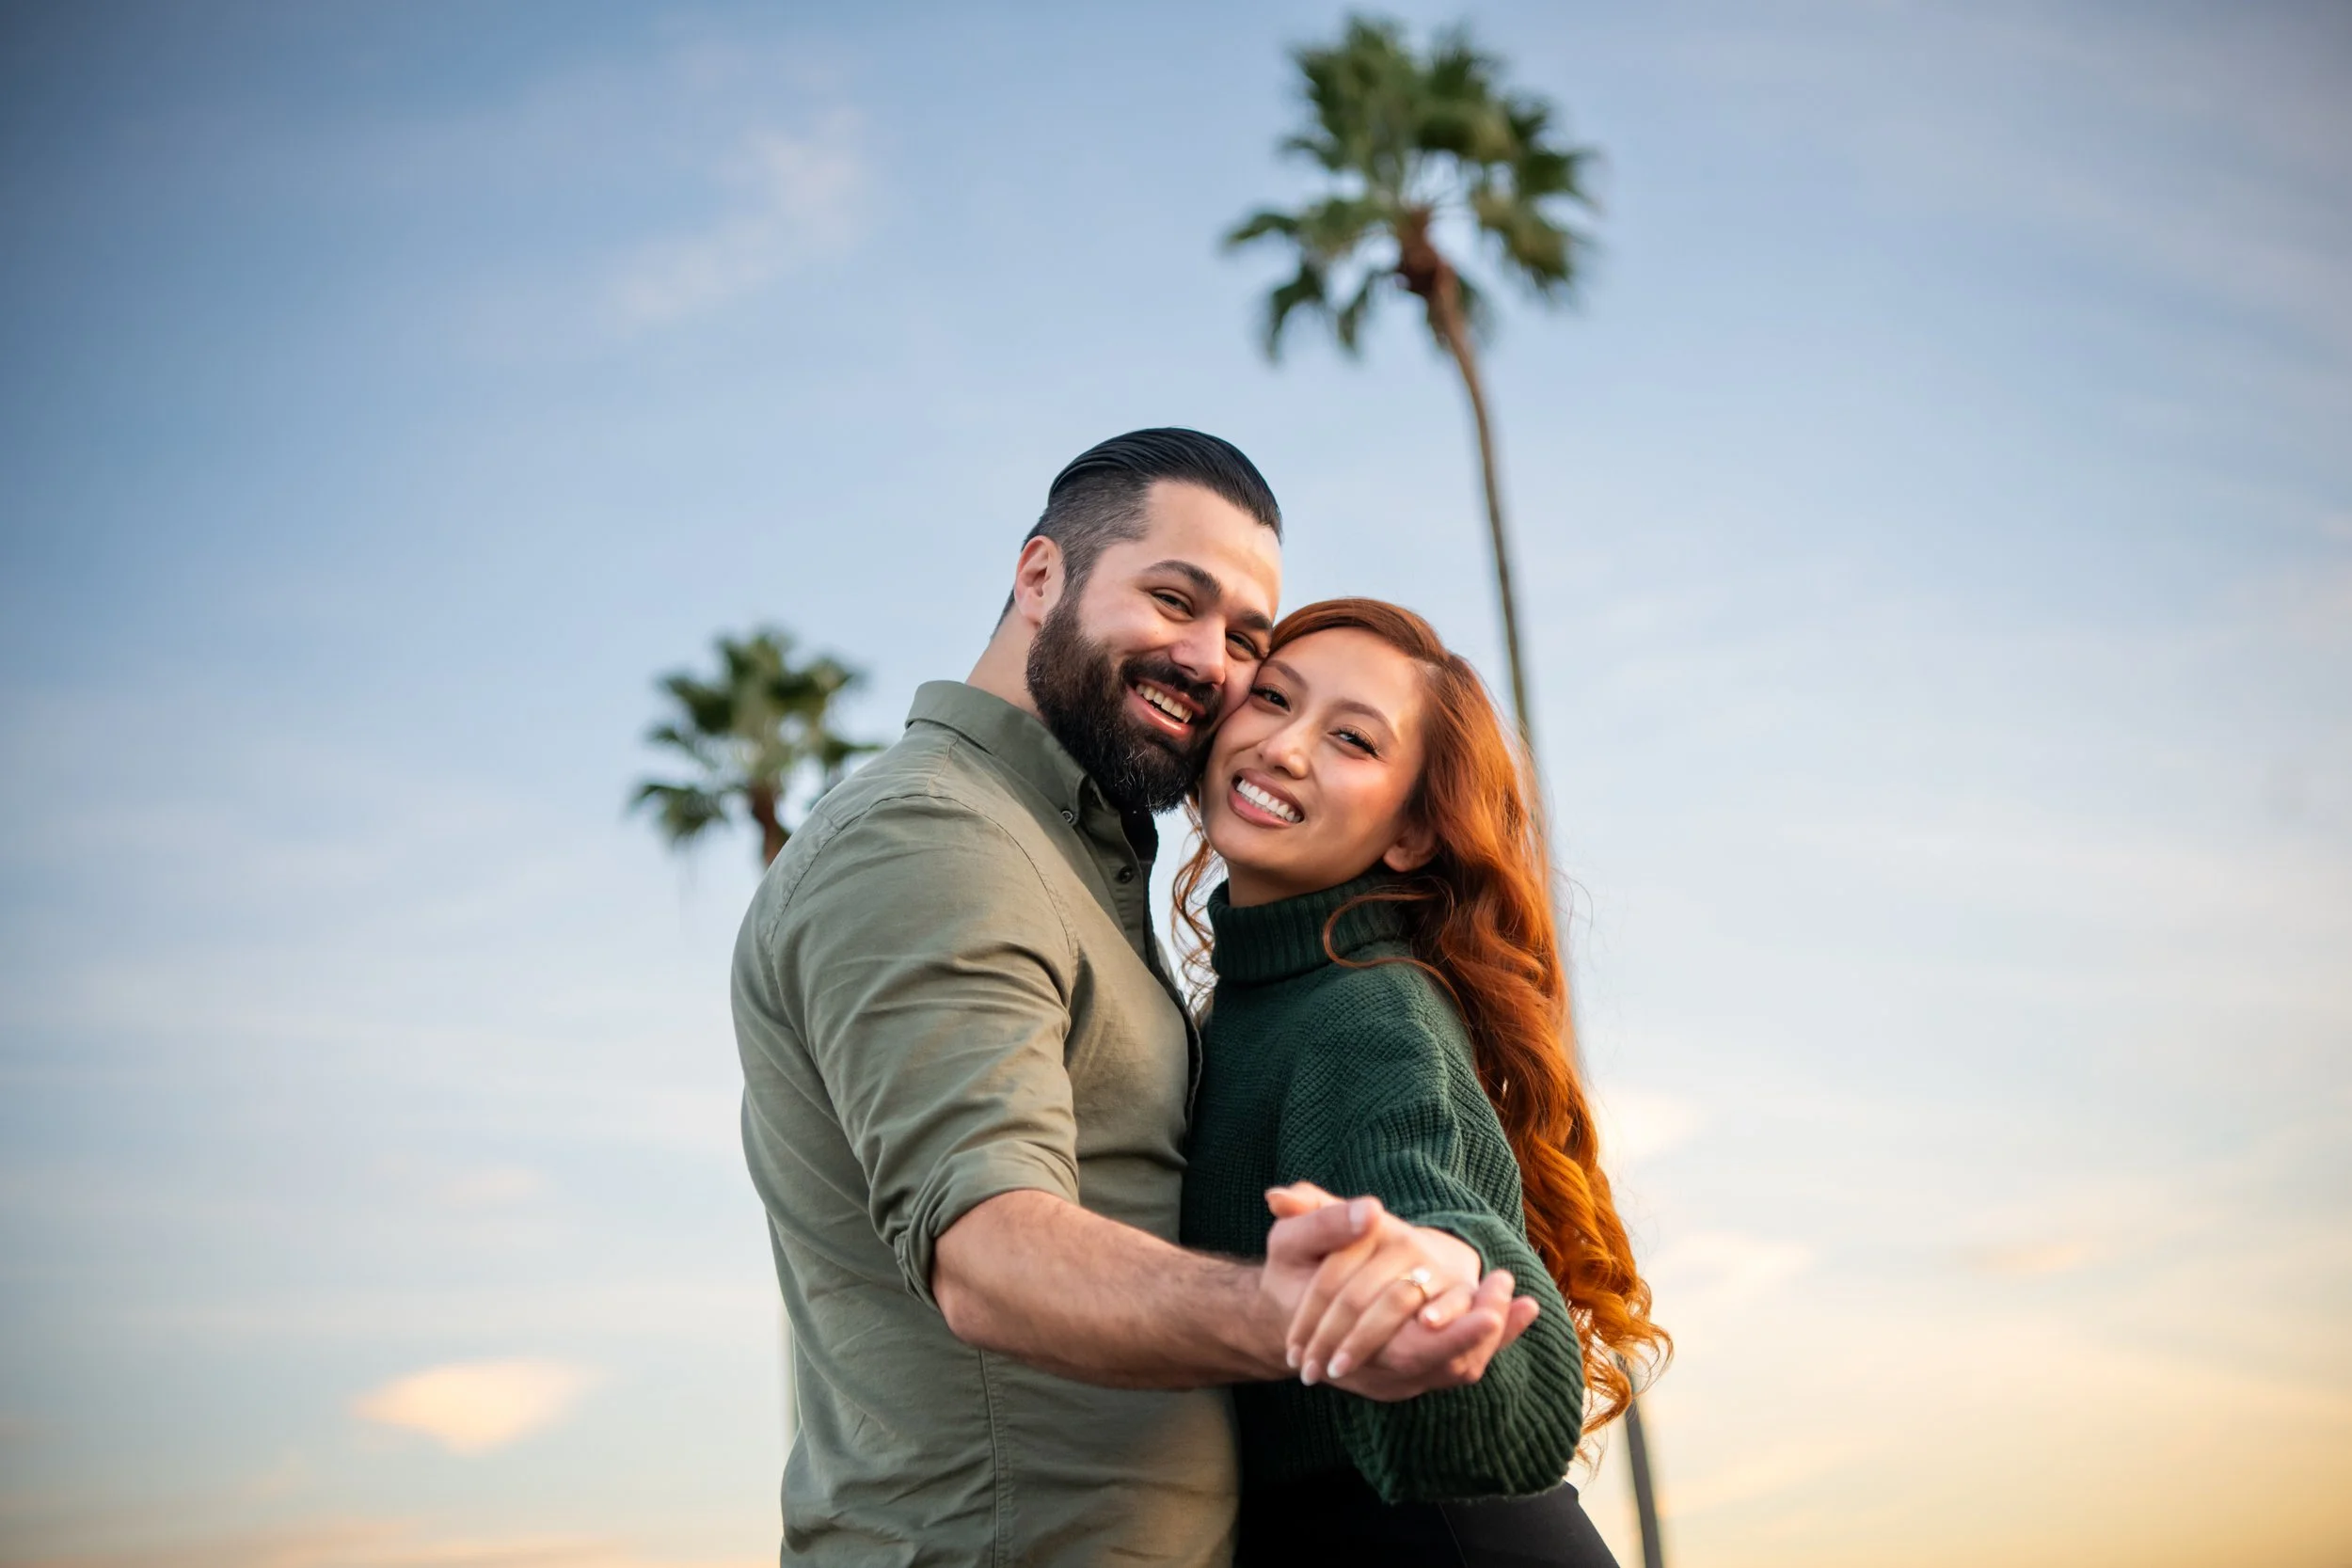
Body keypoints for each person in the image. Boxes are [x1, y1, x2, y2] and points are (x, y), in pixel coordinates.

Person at [732, 432, 1541, 1566]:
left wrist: (1430, 1272)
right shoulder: (935, 836)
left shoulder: (1077, 857)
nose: (1210, 661)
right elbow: (988, 1249)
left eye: (1243, 639)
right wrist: (1302, 1312)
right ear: (1039, 577)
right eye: (1174, 597)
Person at [1175, 598, 1670, 1567]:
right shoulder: (1238, 1010)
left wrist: (1437, 1288)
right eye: (1272, 698)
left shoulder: (1367, 1010)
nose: (1284, 746)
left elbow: (1456, 1260)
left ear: (1408, 835)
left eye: (1351, 738)